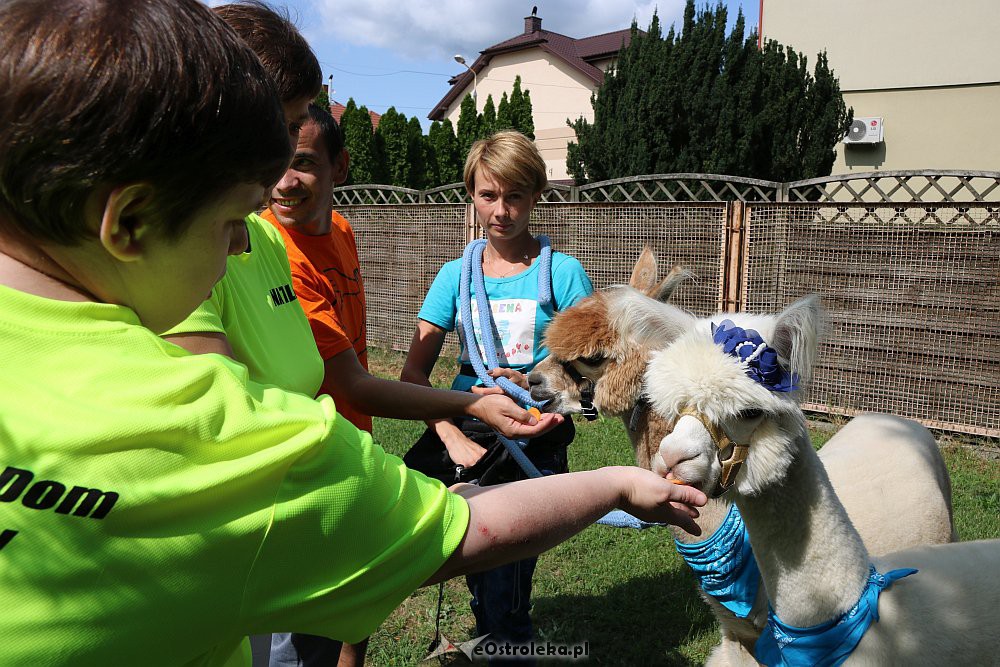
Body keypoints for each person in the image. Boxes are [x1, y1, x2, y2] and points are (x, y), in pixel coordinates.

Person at [0, 2, 710, 664]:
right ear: (127, 223)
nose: (243, 246)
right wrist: (615, 482)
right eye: (229, 226)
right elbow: (455, 530)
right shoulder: (226, 438)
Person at [163, 6, 562, 664]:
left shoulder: (292, 238)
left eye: (299, 147)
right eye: (281, 136)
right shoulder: (217, 255)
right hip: (284, 516)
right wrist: (456, 425)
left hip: (333, 482)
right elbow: (320, 393)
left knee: (352, 626)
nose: (282, 179)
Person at [401, 130, 593, 661]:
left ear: (535, 196)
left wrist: (540, 386)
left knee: (506, 571)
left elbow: (594, 372)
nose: (501, 211)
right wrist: (450, 433)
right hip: (468, 437)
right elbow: (413, 374)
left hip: (534, 438)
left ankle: (504, 640)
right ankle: (496, 636)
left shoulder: (562, 274)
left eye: (514, 196)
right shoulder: (452, 278)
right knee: (468, 556)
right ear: (472, 195)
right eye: (489, 195)